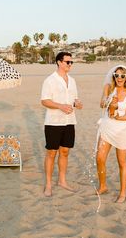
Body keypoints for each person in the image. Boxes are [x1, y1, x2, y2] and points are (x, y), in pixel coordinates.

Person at [41, 52, 83, 197]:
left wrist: (77, 103)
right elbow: (44, 101)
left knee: (65, 152)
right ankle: (48, 184)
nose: (70, 65)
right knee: (51, 153)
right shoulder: (50, 80)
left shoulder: (72, 80)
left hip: (70, 121)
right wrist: (60, 106)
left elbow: (75, 99)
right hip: (53, 122)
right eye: (67, 62)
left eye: (71, 62)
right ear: (59, 62)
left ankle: (62, 181)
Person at [96, 65, 126, 203]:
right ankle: (103, 186)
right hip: (107, 127)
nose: (119, 78)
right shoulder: (108, 88)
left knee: (122, 162)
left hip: (120, 130)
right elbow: (102, 104)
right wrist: (109, 102)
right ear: (114, 75)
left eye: (122, 75)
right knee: (100, 158)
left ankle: (122, 193)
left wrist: (117, 114)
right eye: (117, 75)